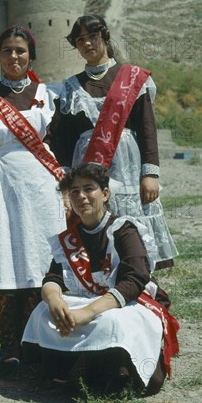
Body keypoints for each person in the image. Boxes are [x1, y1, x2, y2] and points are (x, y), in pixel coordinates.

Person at [22, 163, 179, 395]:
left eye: (89, 189)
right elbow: (53, 276)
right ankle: (62, 371)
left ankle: (109, 376)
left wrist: (87, 313)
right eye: (74, 191)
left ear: (105, 194)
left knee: (111, 323)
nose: (81, 197)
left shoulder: (123, 228)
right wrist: (54, 299)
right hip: (87, 300)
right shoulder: (69, 238)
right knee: (43, 313)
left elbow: (135, 278)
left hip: (126, 302)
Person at [0, 26, 67, 365]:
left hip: (43, 186)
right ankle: (9, 344)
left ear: (30, 56)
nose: (14, 56)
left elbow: (61, 148)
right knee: (5, 261)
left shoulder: (49, 96)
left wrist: (66, 192)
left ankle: (41, 339)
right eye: (7, 50)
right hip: (3, 185)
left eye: (20, 51)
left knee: (41, 259)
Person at [50, 15, 178, 269]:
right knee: (94, 213)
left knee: (127, 219)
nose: (87, 44)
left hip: (127, 164)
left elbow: (147, 128)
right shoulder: (70, 88)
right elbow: (62, 139)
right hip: (85, 164)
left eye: (92, 37)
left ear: (105, 37)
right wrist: (65, 184)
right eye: (80, 40)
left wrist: (150, 174)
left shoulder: (131, 77)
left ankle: (136, 273)